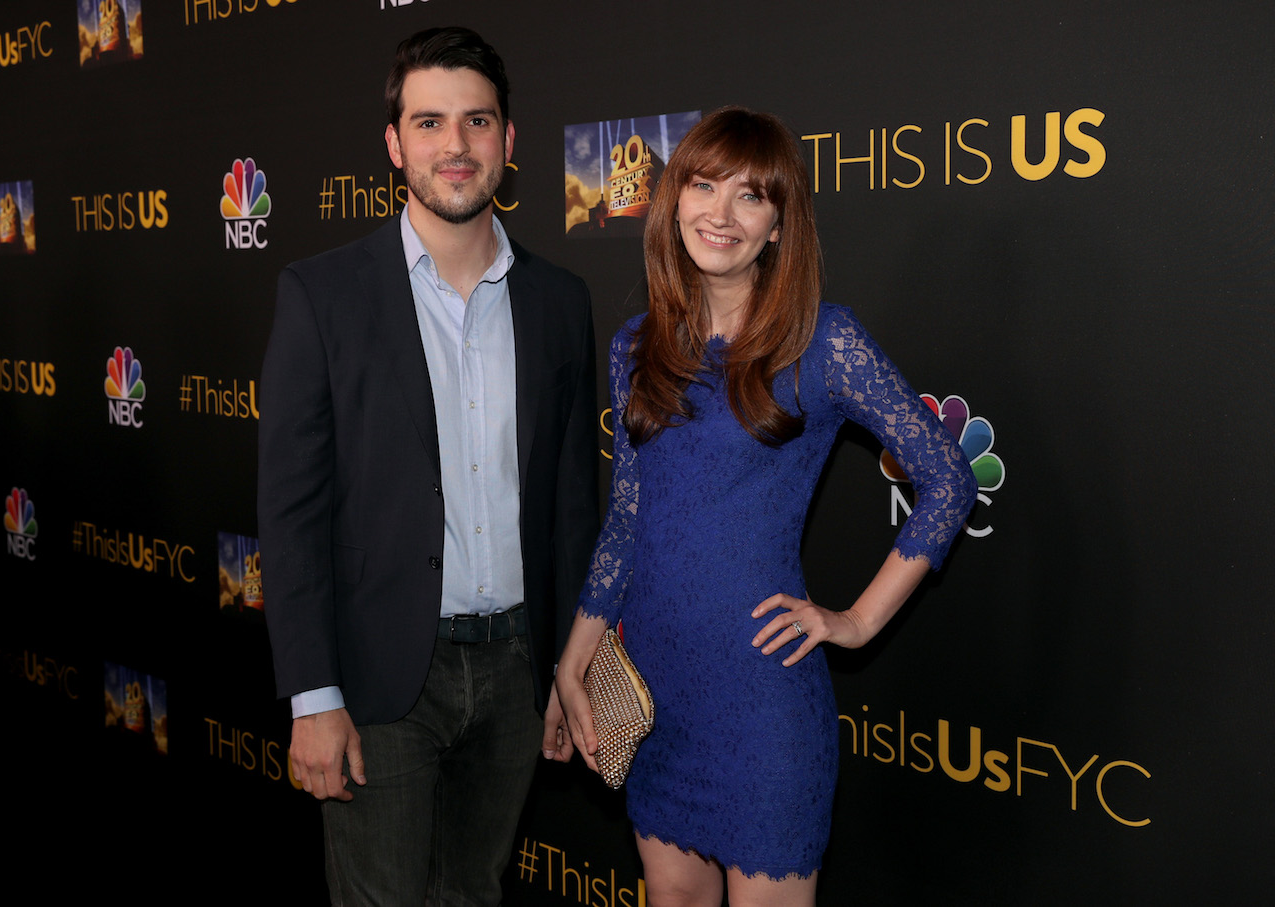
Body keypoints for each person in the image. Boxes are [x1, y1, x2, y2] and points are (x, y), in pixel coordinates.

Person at [553, 107, 978, 907]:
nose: (720, 213)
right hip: (653, 692)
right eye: (704, 185)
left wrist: (855, 620)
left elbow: (947, 478)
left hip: (761, 708)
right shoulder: (636, 345)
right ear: (672, 198)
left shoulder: (823, 342)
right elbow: (628, 519)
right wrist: (573, 660)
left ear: (779, 224)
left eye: (751, 196)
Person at [258, 27, 598, 905]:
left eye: (477, 121)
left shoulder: (560, 302)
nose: (456, 146)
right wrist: (312, 696)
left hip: (520, 670)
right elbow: (291, 513)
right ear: (394, 145)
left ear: (509, 142)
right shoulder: (322, 294)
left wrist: (570, 664)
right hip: (381, 678)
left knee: (474, 893)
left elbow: (570, 504)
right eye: (430, 122)